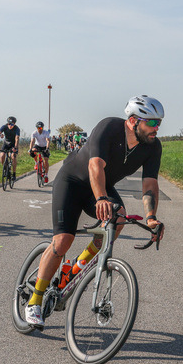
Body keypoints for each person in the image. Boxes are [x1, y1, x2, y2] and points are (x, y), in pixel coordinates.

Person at [24, 95, 166, 327]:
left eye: (159, 122)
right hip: (73, 181)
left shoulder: (153, 147)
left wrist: (151, 218)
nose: (156, 128)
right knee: (62, 241)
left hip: (99, 188)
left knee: (118, 219)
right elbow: (95, 165)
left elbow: (149, 185)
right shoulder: (109, 127)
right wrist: (101, 197)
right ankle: (35, 300)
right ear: (132, 121)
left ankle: (76, 267)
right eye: (151, 122)